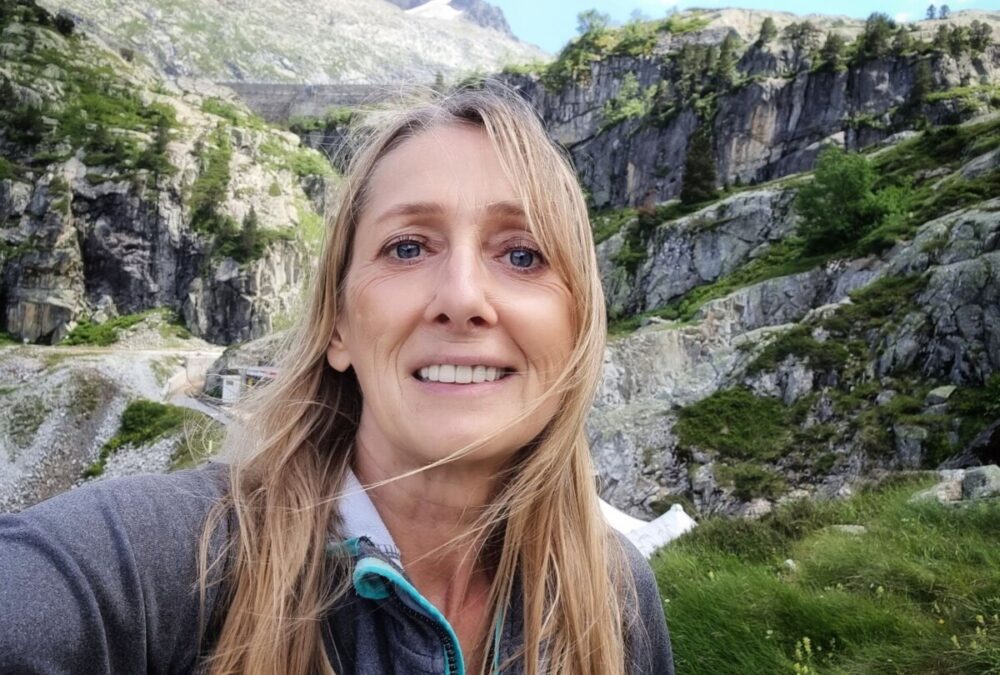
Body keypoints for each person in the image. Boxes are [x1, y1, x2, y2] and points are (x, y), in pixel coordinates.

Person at [0, 84, 673, 674]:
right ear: (338, 326)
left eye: (522, 255)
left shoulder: (616, 596)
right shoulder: (157, 561)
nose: (463, 297)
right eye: (407, 247)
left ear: (577, 324)